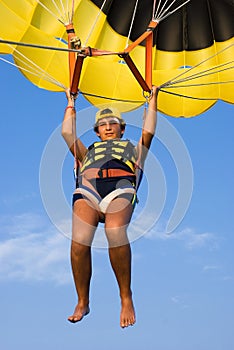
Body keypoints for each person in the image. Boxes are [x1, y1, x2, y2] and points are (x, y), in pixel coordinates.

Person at [61, 86, 158, 328]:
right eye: (102, 124)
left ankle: (126, 297)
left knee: (115, 232)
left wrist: (152, 100)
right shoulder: (87, 152)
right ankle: (83, 301)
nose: (107, 126)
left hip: (120, 188)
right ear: (96, 131)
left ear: (122, 128)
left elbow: (148, 133)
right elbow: (66, 133)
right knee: (79, 242)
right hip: (88, 190)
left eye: (112, 122)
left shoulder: (133, 150)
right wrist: (71, 102)